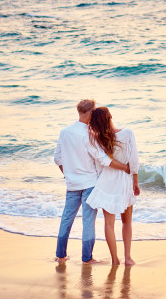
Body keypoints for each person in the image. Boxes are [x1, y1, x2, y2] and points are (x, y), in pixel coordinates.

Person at [53, 99, 130, 263]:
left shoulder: (64, 132)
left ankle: (60, 256)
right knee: (88, 222)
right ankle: (87, 258)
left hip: (72, 184)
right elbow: (104, 160)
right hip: (89, 184)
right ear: (91, 112)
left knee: (67, 219)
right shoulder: (89, 135)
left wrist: (67, 174)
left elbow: (57, 158)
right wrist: (125, 167)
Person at [85, 106, 141, 266]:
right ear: (110, 116)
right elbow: (134, 160)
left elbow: (101, 164)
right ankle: (128, 258)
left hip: (106, 183)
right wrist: (135, 181)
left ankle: (115, 260)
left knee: (109, 224)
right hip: (124, 181)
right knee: (127, 221)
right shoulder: (128, 133)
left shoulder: (95, 140)